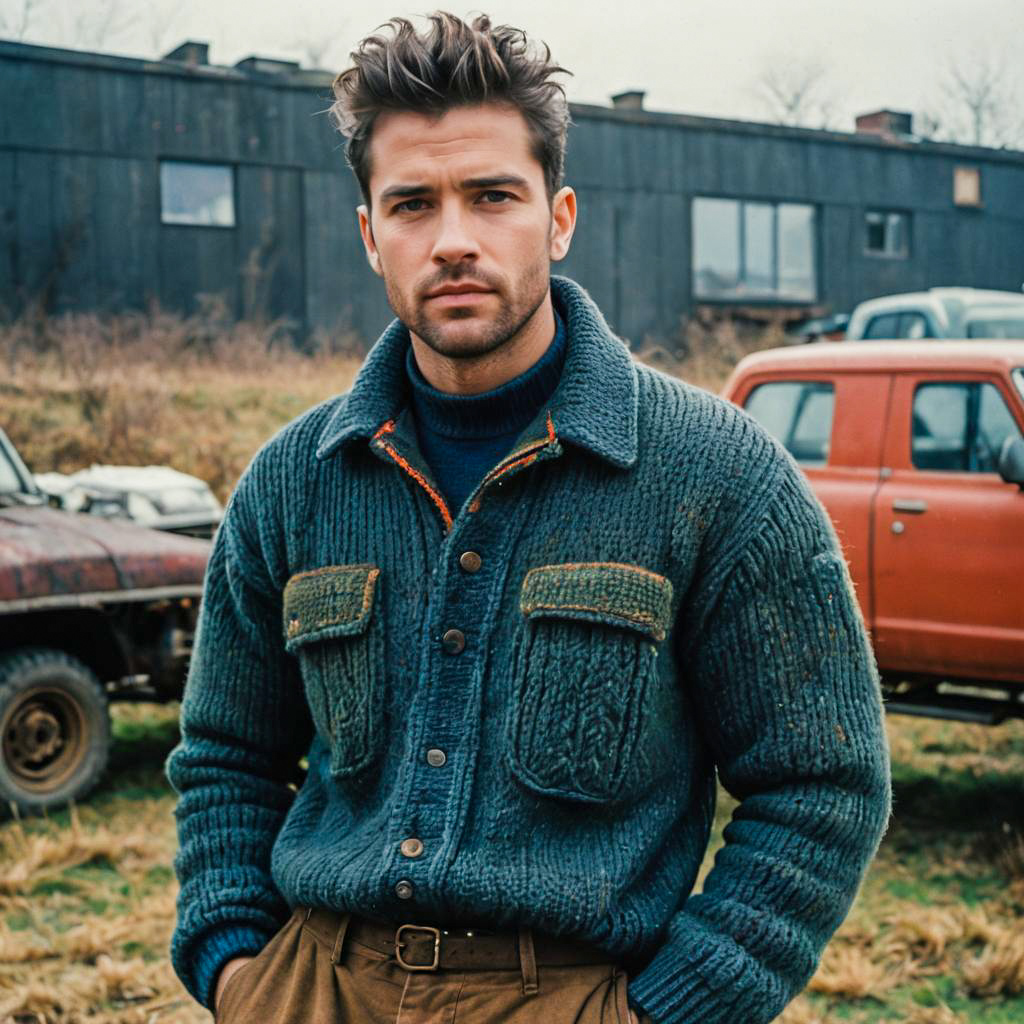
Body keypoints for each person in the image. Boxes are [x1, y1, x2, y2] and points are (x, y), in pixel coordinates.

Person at [165, 12, 891, 1024]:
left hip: (571, 994)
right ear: (372, 234)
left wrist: (671, 1010)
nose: (453, 238)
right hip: (308, 986)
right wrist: (237, 970)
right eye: (412, 203)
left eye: (492, 196)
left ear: (557, 217)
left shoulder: (716, 476)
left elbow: (823, 784)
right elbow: (225, 756)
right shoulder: (292, 483)